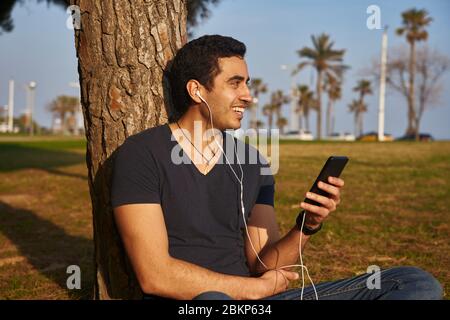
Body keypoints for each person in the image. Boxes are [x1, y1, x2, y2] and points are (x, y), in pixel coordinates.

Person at [110, 35, 443, 300]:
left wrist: (307, 225)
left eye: (248, 83)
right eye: (235, 83)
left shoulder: (253, 162)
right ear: (197, 90)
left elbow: (261, 263)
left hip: (258, 301)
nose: (248, 96)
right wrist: (255, 290)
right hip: (196, 304)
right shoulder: (142, 154)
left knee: (413, 282)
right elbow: (155, 275)